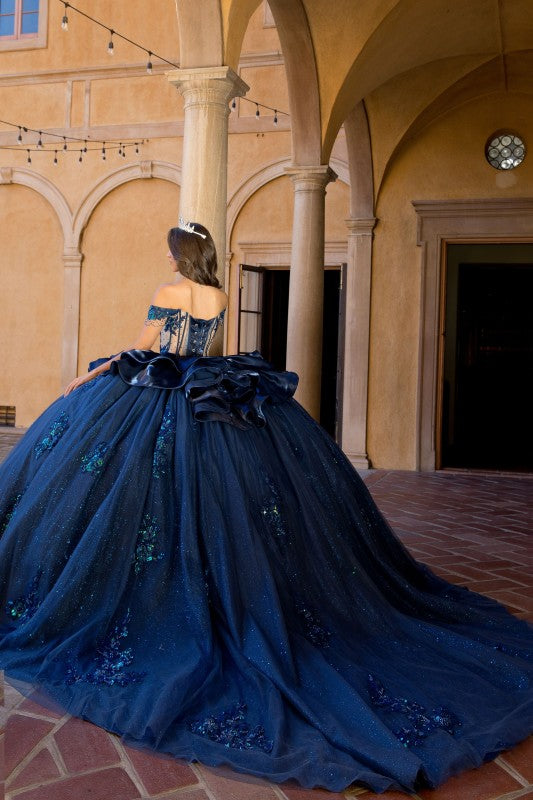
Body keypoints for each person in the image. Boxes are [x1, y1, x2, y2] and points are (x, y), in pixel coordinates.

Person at [0, 220, 532, 796]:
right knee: (215, 499)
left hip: (166, 396)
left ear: (181, 254)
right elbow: (203, 348)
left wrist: (94, 372)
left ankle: (153, 591)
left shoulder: (169, 290)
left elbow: (147, 349)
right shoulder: (218, 294)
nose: (168, 258)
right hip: (208, 395)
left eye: (172, 251)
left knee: (131, 492)